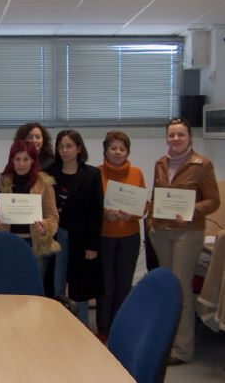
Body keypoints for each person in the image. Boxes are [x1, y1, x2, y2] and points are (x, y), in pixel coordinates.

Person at [148, 118, 220, 365]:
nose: (176, 139)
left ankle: (182, 349)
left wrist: (191, 209)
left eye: (180, 135)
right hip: (160, 232)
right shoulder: (160, 163)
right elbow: (157, 196)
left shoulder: (202, 165)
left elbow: (213, 201)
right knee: (168, 290)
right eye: (171, 135)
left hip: (187, 234)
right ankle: (166, 342)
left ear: (189, 137)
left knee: (181, 290)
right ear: (167, 138)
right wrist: (150, 222)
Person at [46, 129, 104, 326]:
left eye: (69, 146)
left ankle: (83, 328)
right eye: (61, 146)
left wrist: (92, 246)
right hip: (56, 237)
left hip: (81, 238)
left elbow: (96, 212)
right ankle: (58, 326)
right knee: (56, 285)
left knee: (81, 288)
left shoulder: (92, 174)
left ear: (79, 148)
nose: (64, 150)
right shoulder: (49, 173)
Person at [96, 130, 146, 343]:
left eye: (121, 148)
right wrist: (105, 213)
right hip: (104, 236)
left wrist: (132, 213)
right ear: (106, 151)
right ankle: (103, 329)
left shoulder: (137, 173)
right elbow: (90, 205)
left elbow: (144, 205)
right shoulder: (95, 173)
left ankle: (120, 327)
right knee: (105, 286)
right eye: (113, 148)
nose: (117, 152)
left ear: (127, 151)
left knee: (124, 285)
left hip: (129, 236)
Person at [0, 140, 60, 262]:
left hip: (35, 244)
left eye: (26, 159)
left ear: (33, 161)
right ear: (12, 161)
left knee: (34, 281)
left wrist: (45, 227)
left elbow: (52, 216)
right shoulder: (3, 183)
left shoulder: (43, 183)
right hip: (9, 242)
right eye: (17, 159)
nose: (21, 164)